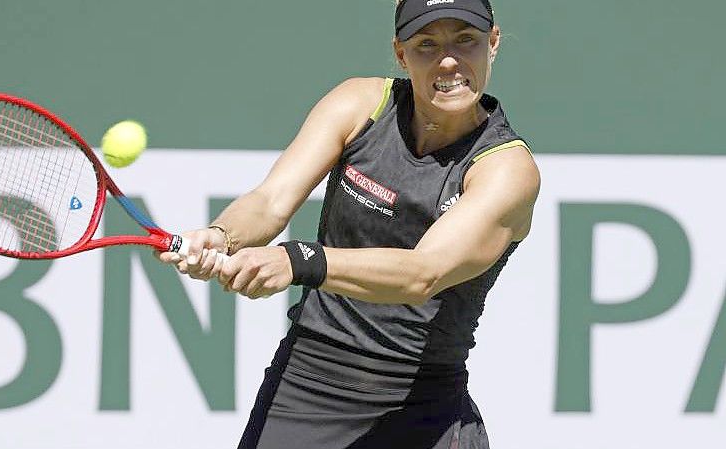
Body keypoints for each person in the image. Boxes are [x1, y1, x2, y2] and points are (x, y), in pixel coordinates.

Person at [158, 0, 539, 447]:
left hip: (420, 407)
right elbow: (270, 201)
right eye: (427, 44)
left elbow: (422, 273)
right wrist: (222, 237)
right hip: (305, 385)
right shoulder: (362, 104)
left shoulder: (507, 170)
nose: (449, 59)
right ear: (401, 54)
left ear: (493, 43)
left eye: (466, 40)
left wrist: (299, 261)